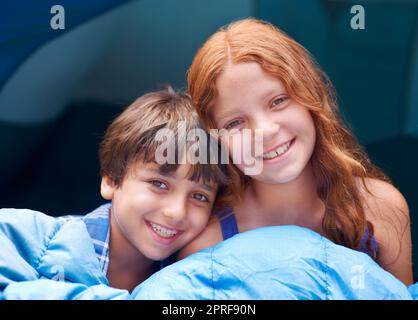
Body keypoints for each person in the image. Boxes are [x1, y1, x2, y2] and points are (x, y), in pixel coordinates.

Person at [181, 18, 413, 285]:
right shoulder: (206, 244)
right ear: (217, 139)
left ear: (311, 98)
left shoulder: (381, 208)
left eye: (278, 101)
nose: (265, 131)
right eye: (235, 123)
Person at [0, 87, 231, 294]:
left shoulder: (197, 284)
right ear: (111, 179)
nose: (177, 211)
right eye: (159, 184)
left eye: (200, 196)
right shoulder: (20, 235)